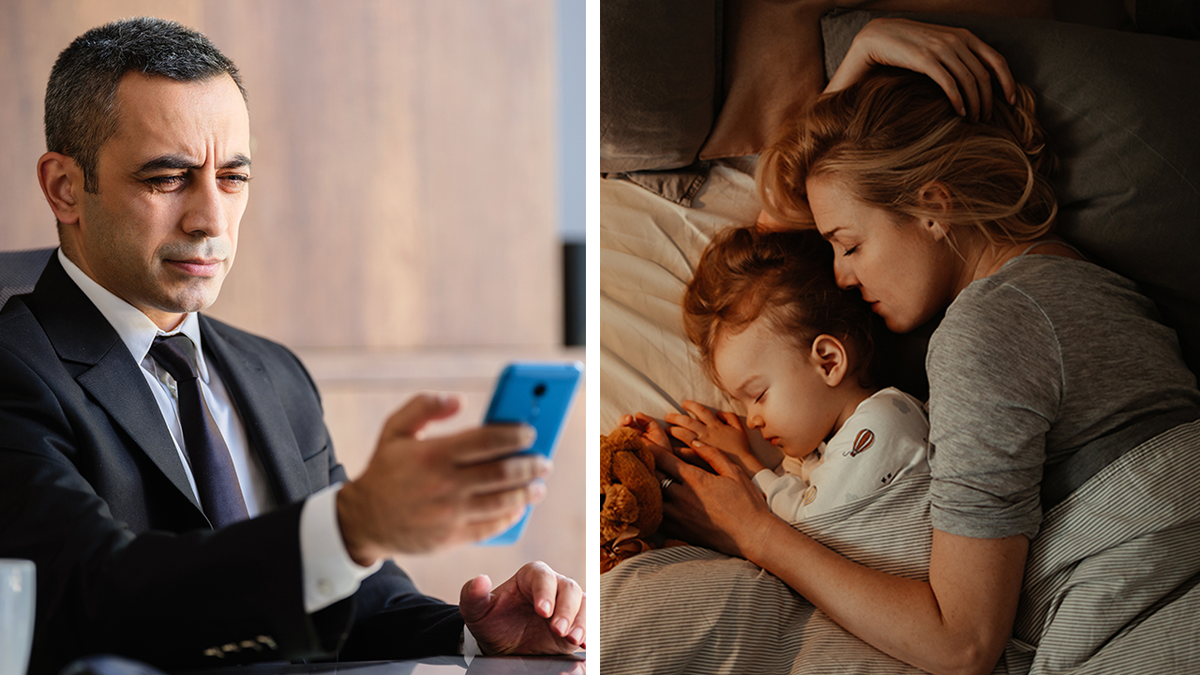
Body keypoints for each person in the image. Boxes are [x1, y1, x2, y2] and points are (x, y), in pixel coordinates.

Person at [0, 17, 583, 675]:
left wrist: (475, 635)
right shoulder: (15, 368)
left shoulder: (273, 374)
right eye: (167, 177)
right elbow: (96, 598)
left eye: (233, 178)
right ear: (64, 187)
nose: (210, 220)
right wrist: (349, 528)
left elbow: (355, 605)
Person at [649, 18, 1200, 675]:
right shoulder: (1080, 283)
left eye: (849, 245)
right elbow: (773, 256)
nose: (842, 275)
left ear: (933, 205)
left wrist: (756, 532)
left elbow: (959, 643)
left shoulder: (987, 330)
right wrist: (855, 64)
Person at [628, 225, 929, 523]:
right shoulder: (813, 454)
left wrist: (746, 464)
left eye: (758, 395)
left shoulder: (885, 420)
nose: (753, 420)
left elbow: (808, 524)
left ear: (828, 362)